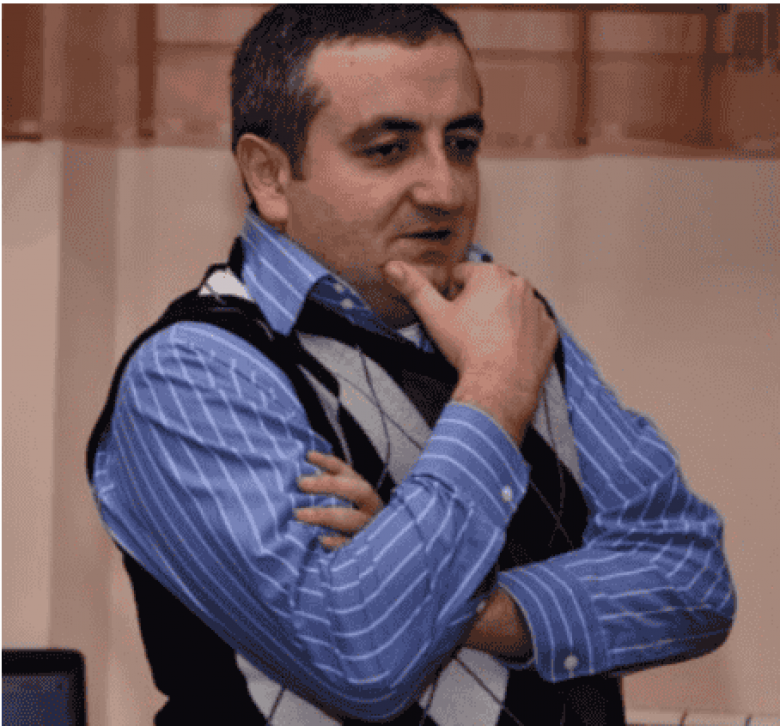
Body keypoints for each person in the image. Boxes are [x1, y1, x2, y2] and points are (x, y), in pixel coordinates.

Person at [86, 6, 736, 725]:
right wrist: (494, 392)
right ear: (269, 176)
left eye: (461, 144)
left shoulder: (504, 316)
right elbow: (361, 658)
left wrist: (460, 596)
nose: (446, 190)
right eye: (389, 149)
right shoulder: (193, 376)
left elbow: (694, 580)